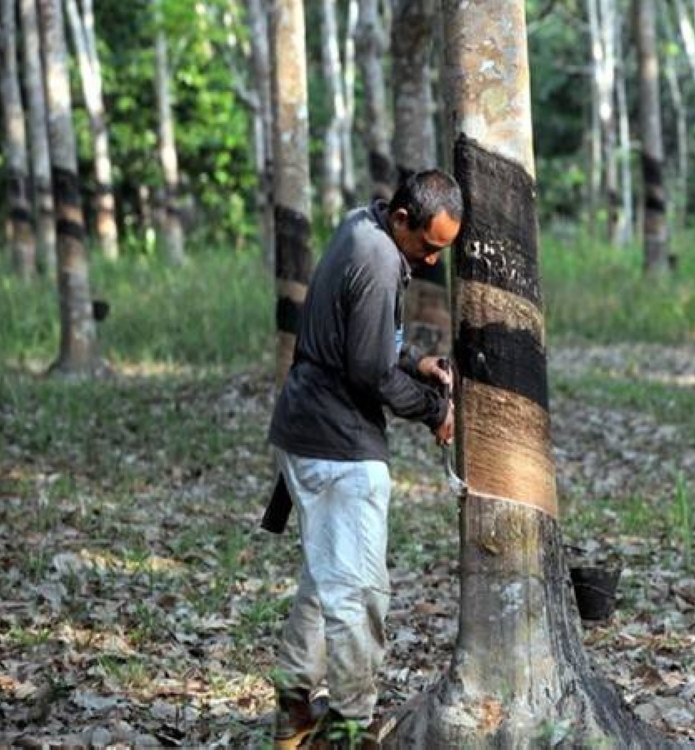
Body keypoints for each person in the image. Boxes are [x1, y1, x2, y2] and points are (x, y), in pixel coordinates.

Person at [267, 170, 462, 748]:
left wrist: (417, 359)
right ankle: (351, 723)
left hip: (305, 429)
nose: (430, 262)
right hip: (335, 444)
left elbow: (373, 335)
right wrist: (434, 409)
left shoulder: (362, 224)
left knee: (325, 578)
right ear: (402, 219)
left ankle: (293, 709)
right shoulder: (380, 260)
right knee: (360, 592)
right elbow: (369, 371)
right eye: (428, 246)